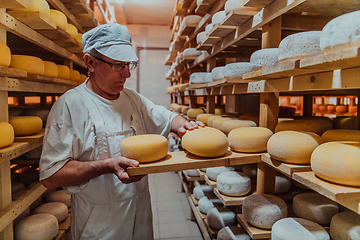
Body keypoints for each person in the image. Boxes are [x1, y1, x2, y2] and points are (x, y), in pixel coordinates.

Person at [39, 23, 203, 240]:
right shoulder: (70, 105)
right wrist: (105, 166)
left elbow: (168, 117)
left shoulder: (132, 99)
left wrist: (184, 125)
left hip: (140, 218)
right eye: (118, 65)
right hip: (100, 226)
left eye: (128, 64)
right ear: (91, 62)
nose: (126, 73)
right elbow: (50, 175)